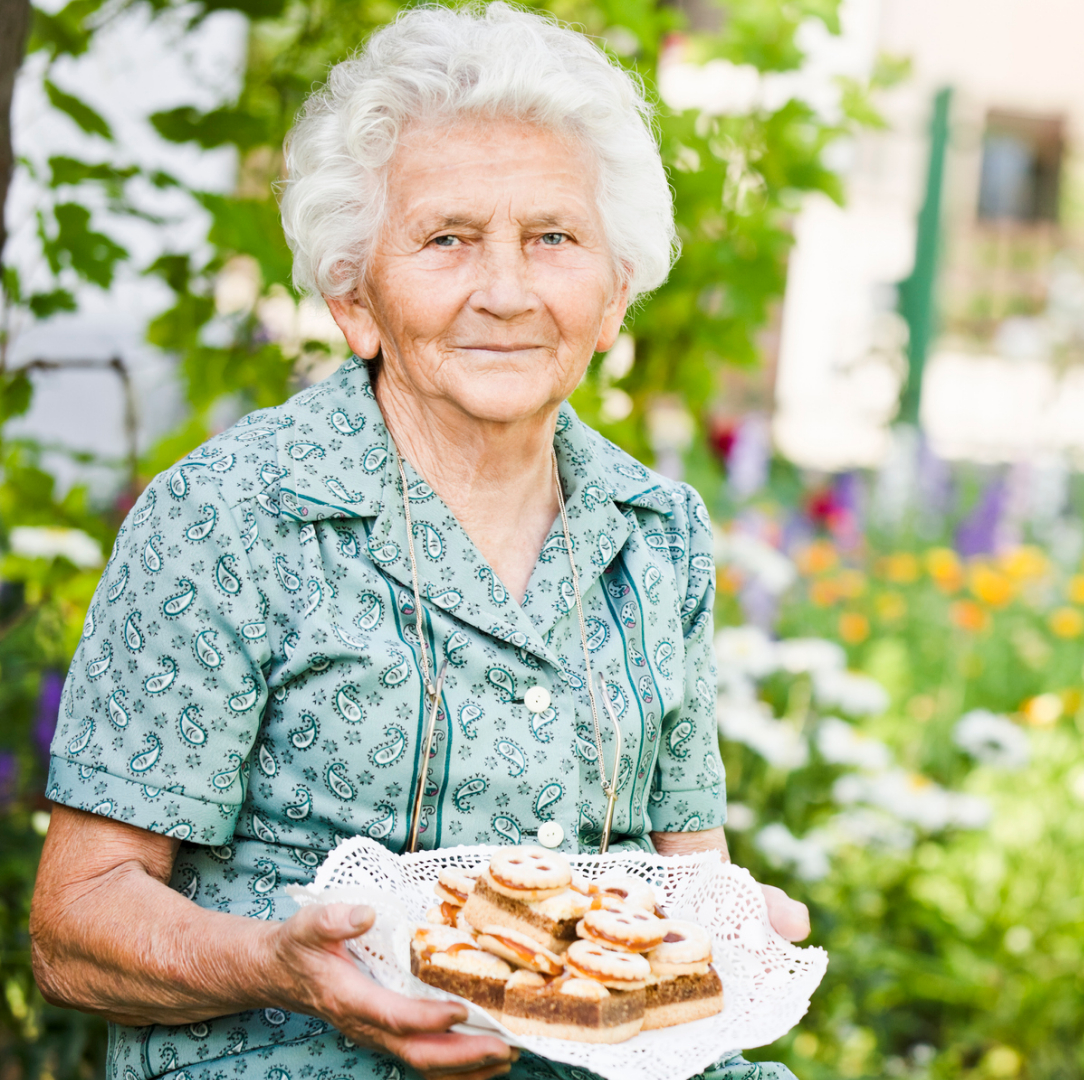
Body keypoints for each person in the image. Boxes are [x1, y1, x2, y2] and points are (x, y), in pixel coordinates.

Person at [28, 6, 806, 1078]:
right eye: (446, 239)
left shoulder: (656, 534)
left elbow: (689, 868)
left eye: (553, 238)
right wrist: (283, 964)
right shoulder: (233, 514)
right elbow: (75, 924)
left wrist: (732, 930)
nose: (504, 291)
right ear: (354, 297)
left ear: (615, 292)